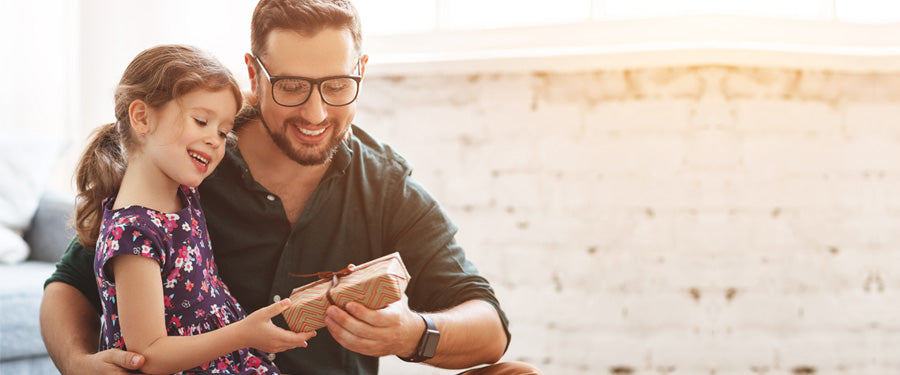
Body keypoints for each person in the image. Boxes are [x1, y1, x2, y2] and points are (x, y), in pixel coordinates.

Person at [42, 1, 542, 374]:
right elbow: (70, 284)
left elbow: (489, 327)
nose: (315, 113)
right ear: (254, 76)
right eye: (291, 86)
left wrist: (411, 333)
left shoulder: (384, 184)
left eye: (337, 85)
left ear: (361, 72)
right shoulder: (189, 161)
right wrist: (78, 364)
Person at [72, 44, 315, 375]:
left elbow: (233, 103)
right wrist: (243, 334)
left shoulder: (184, 193)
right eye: (201, 121)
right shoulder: (132, 234)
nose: (215, 140)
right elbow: (149, 355)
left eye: (223, 132)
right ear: (142, 117)